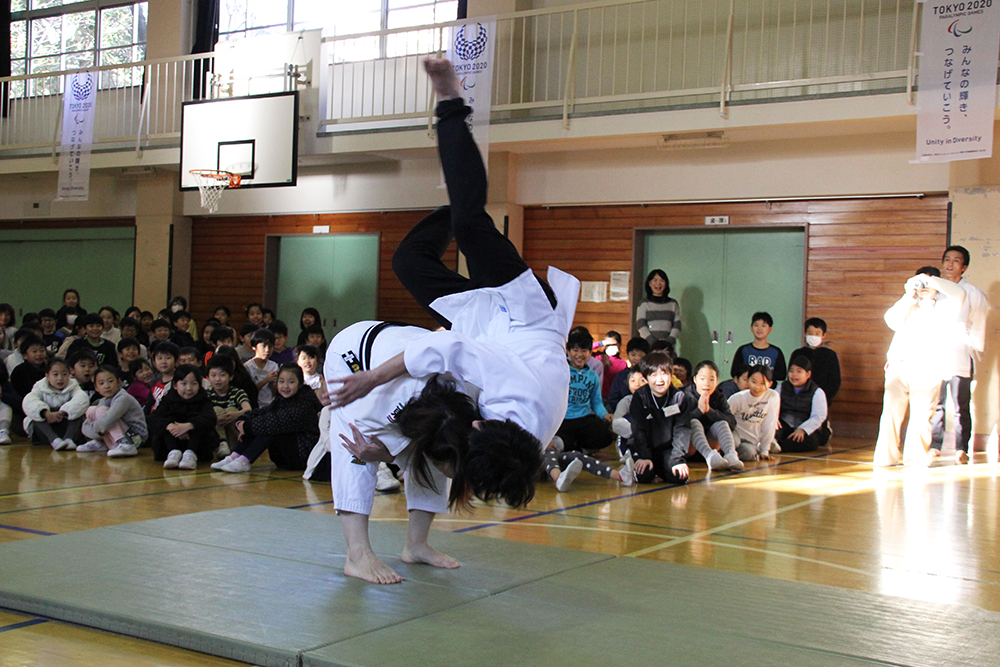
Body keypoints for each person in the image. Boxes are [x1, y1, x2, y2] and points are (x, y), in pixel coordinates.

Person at [329, 58, 580, 513]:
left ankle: (465, 198)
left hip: (493, 331)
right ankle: (450, 102)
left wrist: (385, 454)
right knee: (469, 221)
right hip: (525, 313)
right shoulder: (514, 394)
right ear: (483, 428)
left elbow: (448, 445)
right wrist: (370, 379)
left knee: (408, 260)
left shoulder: (520, 447)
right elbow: (444, 350)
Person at [873, 268, 966, 467]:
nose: (924, 287)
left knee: (921, 415)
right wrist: (909, 293)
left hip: (927, 367)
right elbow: (891, 320)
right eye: (920, 283)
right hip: (899, 365)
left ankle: (915, 458)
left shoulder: (946, 307)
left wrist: (932, 281)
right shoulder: (908, 305)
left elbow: (960, 294)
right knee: (890, 413)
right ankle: (885, 457)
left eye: (929, 284)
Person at [929, 246, 988, 464]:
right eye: (947, 260)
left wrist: (970, 346)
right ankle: (934, 445)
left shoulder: (973, 292)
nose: (950, 264)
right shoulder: (935, 289)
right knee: (937, 403)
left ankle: (961, 447)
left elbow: (979, 323)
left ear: (964, 267)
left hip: (960, 353)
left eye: (956, 261)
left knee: (961, 403)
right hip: (936, 353)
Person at [214, 363, 322, 473]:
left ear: (300, 384)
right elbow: (262, 412)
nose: (285, 386)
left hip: (303, 455)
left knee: (270, 426)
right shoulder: (281, 400)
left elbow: (278, 421)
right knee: (263, 422)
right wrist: (242, 421)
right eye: (281, 381)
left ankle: (244, 460)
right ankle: (234, 456)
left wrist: (247, 426)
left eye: (291, 382)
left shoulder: (305, 403)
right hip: (284, 457)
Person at [627, 351, 692, 484]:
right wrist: (644, 456)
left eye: (664, 374)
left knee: (679, 476)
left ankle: (663, 468)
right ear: (646, 378)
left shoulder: (679, 397)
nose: (660, 380)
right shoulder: (640, 396)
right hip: (645, 448)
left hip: (668, 450)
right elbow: (638, 429)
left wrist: (677, 459)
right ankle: (632, 459)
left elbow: (682, 429)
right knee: (644, 476)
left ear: (671, 375)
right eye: (654, 375)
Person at [148, 364, 218, 469]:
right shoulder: (168, 399)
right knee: (164, 424)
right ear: (175, 385)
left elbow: (211, 418)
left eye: (194, 384)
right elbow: (154, 419)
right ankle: (173, 453)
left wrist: (189, 426)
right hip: (171, 441)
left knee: (202, 425)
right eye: (184, 384)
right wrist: (170, 427)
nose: (189, 388)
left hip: (197, 444)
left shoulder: (203, 399)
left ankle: (190, 454)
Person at [556, 329, 615, 453]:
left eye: (584, 351)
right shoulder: (561, 370)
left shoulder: (592, 375)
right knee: (559, 440)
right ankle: (575, 447)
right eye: (575, 350)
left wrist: (605, 414)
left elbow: (597, 402)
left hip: (584, 418)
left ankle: (575, 447)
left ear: (590, 352)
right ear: (568, 351)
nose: (579, 355)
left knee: (606, 436)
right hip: (564, 419)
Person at [684, 360, 743, 471]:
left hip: (713, 446)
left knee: (722, 422)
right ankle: (709, 457)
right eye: (702, 379)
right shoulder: (685, 395)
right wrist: (699, 411)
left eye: (711, 379)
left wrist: (709, 411)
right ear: (695, 379)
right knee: (693, 422)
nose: (707, 383)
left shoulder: (719, 396)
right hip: (690, 448)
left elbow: (732, 422)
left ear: (717, 381)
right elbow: (679, 422)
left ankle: (731, 455)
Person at [21, 358, 89, 450]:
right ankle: (54, 440)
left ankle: (68, 439)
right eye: (55, 375)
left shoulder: (74, 386)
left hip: (66, 426)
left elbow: (81, 399)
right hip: (46, 431)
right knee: (36, 414)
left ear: (69, 375)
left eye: (64, 374)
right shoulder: (39, 387)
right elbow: (29, 401)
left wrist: (63, 412)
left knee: (78, 412)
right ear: (47, 376)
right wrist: (45, 413)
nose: (60, 378)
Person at [77, 365, 146, 457]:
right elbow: (85, 427)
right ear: (96, 388)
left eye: (110, 381)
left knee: (101, 412)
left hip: (136, 438)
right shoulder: (103, 400)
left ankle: (127, 445)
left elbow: (108, 420)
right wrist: (98, 432)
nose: (107, 386)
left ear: (119, 382)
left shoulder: (123, 398)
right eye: (101, 383)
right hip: (120, 433)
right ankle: (101, 443)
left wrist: (96, 430)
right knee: (91, 410)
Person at [776, 356, 830, 454]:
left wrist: (803, 429)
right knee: (773, 431)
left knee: (808, 441)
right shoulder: (781, 388)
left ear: (808, 374)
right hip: (786, 423)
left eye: (799, 371)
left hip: (806, 426)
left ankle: (779, 447)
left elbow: (818, 416)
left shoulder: (817, 392)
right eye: (791, 371)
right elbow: (772, 407)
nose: (794, 375)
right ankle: (774, 444)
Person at [728, 365, 780, 461]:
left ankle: (760, 447)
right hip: (735, 436)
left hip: (750, 442)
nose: (757, 387)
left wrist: (765, 451)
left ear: (770, 384)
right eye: (754, 382)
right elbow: (724, 420)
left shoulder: (773, 396)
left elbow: (769, 424)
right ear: (748, 380)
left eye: (763, 383)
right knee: (733, 442)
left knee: (748, 453)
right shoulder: (737, 398)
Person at [205, 353, 251, 457]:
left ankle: (234, 446)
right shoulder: (206, 394)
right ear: (208, 377)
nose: (217, 379)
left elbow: (248, 409)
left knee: (231, 409)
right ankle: (222, 443)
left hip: (234, 433)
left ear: (230, 377)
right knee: (215, 410)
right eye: (213, 375)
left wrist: (231, 416)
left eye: (222, 375)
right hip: (215, 435)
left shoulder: (237, 392)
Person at [790, 317, 841, 405]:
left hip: (823, 400)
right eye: (810, 333)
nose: (813, 336)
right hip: (798, 400)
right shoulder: (798, 353)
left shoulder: (830, 355)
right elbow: (791, 376)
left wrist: (824, 397)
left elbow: (835, 380)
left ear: (823, 335)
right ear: (805, 334)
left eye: (817, 333)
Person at [731, 312, 786, 383]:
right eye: (756, 325)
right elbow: (734, 372)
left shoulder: (776, 351)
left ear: (770, 329)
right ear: (751, 328)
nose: (759, 328)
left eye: (763, 326)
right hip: (747, 389)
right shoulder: (743, 350)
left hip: (769, 390)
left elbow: (782, 375)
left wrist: (764, 374)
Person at [635, 269, 681, 347]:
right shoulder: (644, 303)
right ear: (649, 283)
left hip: (668, 346)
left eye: (662, 281)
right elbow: (641, 325)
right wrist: (653, 342)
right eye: (655, 280)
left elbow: (677, 325)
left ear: (666, 283)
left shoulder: (673, 303)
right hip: (649, 346)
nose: (658, 284)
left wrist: (668, 341)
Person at [604, 337, 649, 413]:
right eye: (633, 355)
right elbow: (613, 399)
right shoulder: (621, 375)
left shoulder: (650, 375)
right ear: (628, 355)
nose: (637, 358)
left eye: (641, 355)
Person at [245, 328, 279, 408]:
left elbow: (276, 392)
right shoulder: (248, 367)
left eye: (270, 347)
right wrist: (266, 380)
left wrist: (273, 384)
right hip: (254, 406)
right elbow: (249, 392)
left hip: (270, 406)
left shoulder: (274, 366)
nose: (267, 350)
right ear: (254, 347)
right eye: (263, 346)